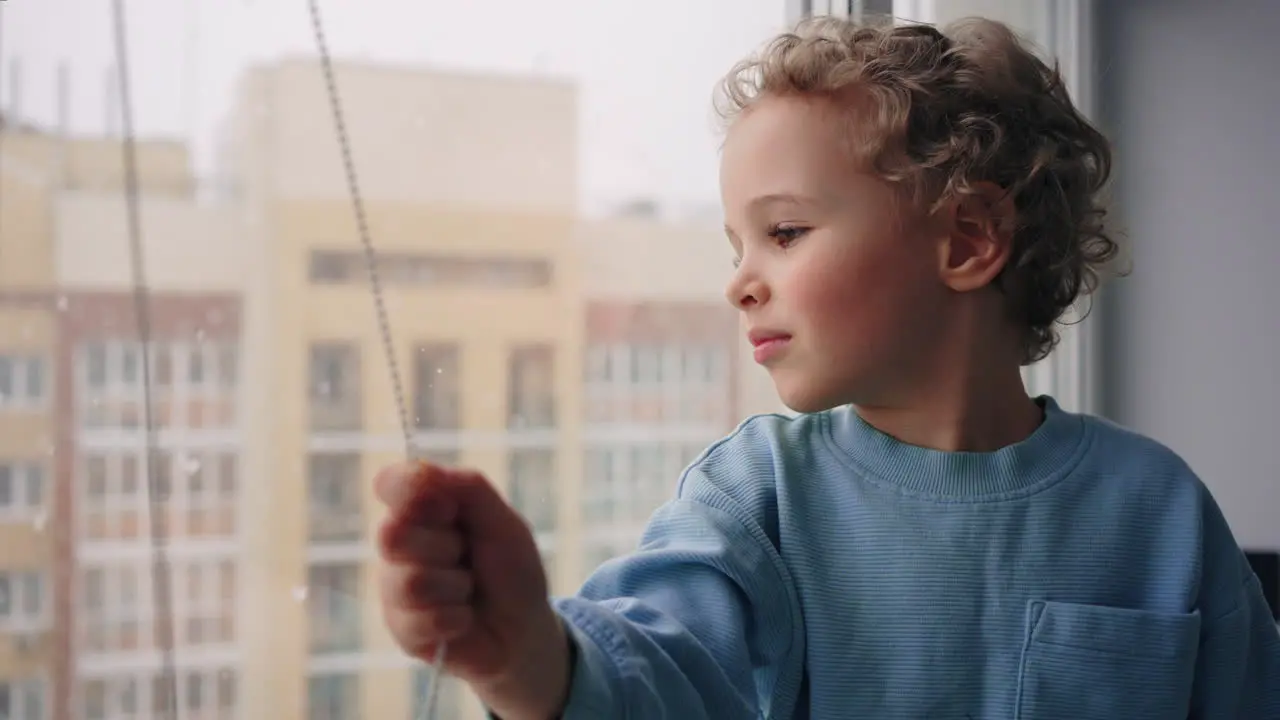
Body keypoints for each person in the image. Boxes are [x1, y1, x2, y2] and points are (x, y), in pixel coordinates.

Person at [373, 16, 1280, 720]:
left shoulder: (1159, 510)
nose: (740, 285)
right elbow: (656, 672)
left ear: (968, 238)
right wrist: (525, 656)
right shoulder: (755, 497)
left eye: (785, 233)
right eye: (737, 246)